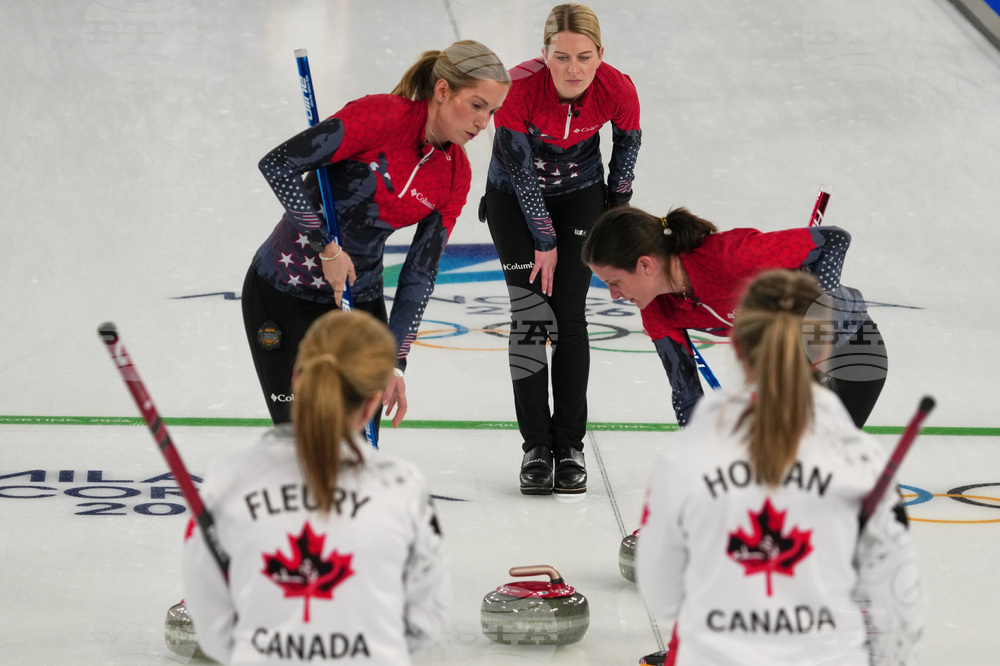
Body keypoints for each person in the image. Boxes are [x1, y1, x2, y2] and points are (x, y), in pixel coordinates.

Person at [634, 270, 924, 666]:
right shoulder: (864, 462)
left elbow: (661, 588)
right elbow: (898, 600)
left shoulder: (683, 459)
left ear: (736, 347)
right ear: (823, 353)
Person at [243, 40, 510, 428]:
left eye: (492, 111)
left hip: (358, 302)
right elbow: (278, 165)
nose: (483, 123)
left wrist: (396, 362)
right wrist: (327, 249)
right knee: (303, 441)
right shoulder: (379, 117)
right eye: (476, 105)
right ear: (442, 91)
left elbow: (420, 274)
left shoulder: (455, 175)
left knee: (354, 449)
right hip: (283, 293)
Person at [184, 310, 449, 665]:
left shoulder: (228, 480)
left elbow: (211, 626)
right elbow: (424, 625)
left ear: (296, 379)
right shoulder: (404, 487)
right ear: (372, 401)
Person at [482, 3, 641, 495]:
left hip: (580, 195)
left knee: (569, 316)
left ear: (600, 56)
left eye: (585, 57)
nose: (574, 69)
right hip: (514, 197)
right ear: (544, 54)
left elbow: (626, 155)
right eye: (562, 57)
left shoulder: (618, 87)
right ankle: (535, 447)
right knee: (530, 314)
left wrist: (614, 221)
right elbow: (522, 173)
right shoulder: (518, 89)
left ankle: (569, 445)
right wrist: (543, 240)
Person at [582, 205, 888, 429]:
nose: (613, 295)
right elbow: (686, 393)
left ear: (645, 265)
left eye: (614, 282)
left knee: (811, 471)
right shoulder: (657, 309)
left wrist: (813, 331)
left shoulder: (731, 258)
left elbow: (834, 240)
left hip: (853, 351)